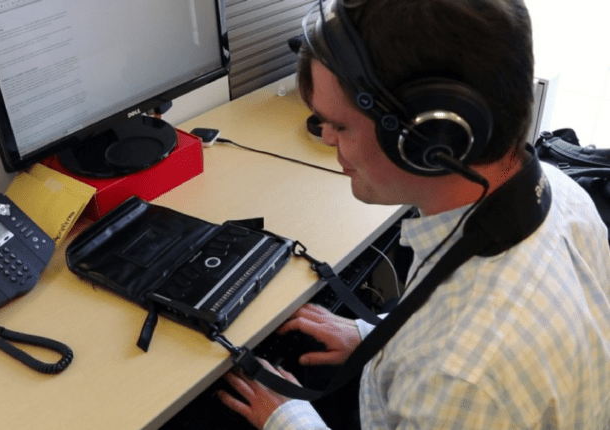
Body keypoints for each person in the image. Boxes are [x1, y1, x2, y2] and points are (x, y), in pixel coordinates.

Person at [217, 0, 610, 428]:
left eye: (341, 126)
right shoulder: (561, 194)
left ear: (428, 137)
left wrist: (287, 418)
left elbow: (460, 369)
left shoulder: (462, 380)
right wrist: (380, 337)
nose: (326, 139)